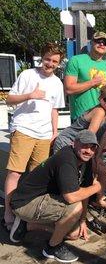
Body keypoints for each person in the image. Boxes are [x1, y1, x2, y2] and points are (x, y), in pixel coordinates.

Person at [9, 130, 102, 263]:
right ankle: (52, 248)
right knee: (75, 208)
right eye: (85, 145)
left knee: (74, 235)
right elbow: (71, 197)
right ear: (74, 143)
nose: (88, 151)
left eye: (92, 147)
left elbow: (84, 192)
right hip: (25, 203)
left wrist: (82, 221)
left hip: (43, 199)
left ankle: (26, 224)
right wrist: (97, 188)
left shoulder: (86, 162)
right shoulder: (67, 159)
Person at [3, 43, 65, 231]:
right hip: (23, 129)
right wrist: (30, 95)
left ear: (58, 63)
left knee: (38, 177)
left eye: (54, 61)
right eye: (47, 59)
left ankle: (28, 212)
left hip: (44, 135)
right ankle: (8, 212)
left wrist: (55, 132)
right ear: (41, 57)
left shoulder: (57, 83)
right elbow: (9, 99)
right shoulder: (27, 75)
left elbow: (54, 110)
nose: (50, 64)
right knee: (15, 173)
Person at [53, 85, 106, 211]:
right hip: (68, 141)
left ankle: (99, 199)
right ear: (100, 100)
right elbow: (89, 137)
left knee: (102, 170)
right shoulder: (99, 112)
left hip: (85, 143)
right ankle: (64, 203)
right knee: (70, 172)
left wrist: (99, 154)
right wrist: (92, 157)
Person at [64, 31, 106, 122]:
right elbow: (68, 89)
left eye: (105, 43)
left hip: (101, 118)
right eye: (98, 41)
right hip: (81, 119)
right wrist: (92, 82)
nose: (101, 44)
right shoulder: (76, 60)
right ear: (91, 42)